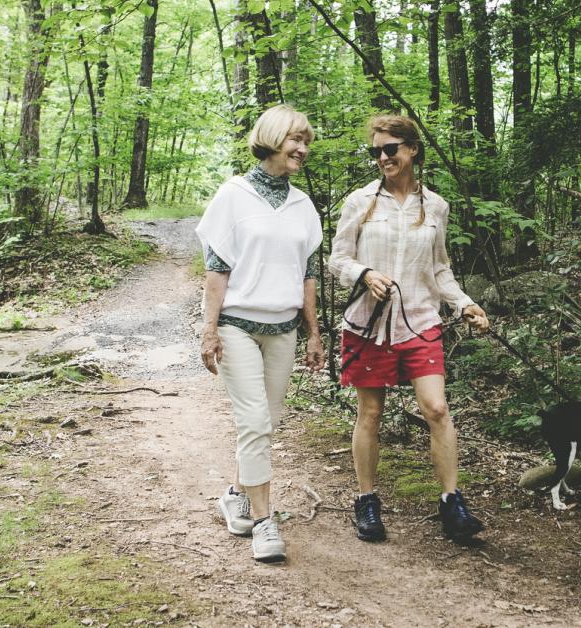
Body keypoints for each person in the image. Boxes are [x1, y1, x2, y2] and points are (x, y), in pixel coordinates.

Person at [329, 114, 491, 543]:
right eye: (375, 152)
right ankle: (367, 501)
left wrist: (466, 304)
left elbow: (440, 270)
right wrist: (364, 274)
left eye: (390, 149)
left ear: (412, 149)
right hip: (368, 326)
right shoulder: (359, 202)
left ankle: (452, 503)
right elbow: (338, 259)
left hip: (420, 321)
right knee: (371, 413)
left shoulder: (435, 206)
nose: (382, 158)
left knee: (436, 409)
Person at [196, 105, 325, 563]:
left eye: (307, 142)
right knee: (254, 422)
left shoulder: (302, 205)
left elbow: (309, 275)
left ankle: (234, 493)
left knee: (266, 424)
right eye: (296, 140)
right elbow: (217, 271)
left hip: (284, 330)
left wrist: (314, 333)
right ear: (272, 138)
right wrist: (209, 330)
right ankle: (265, 520)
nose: (303, 149)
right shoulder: (233, 195)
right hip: (237, 327)